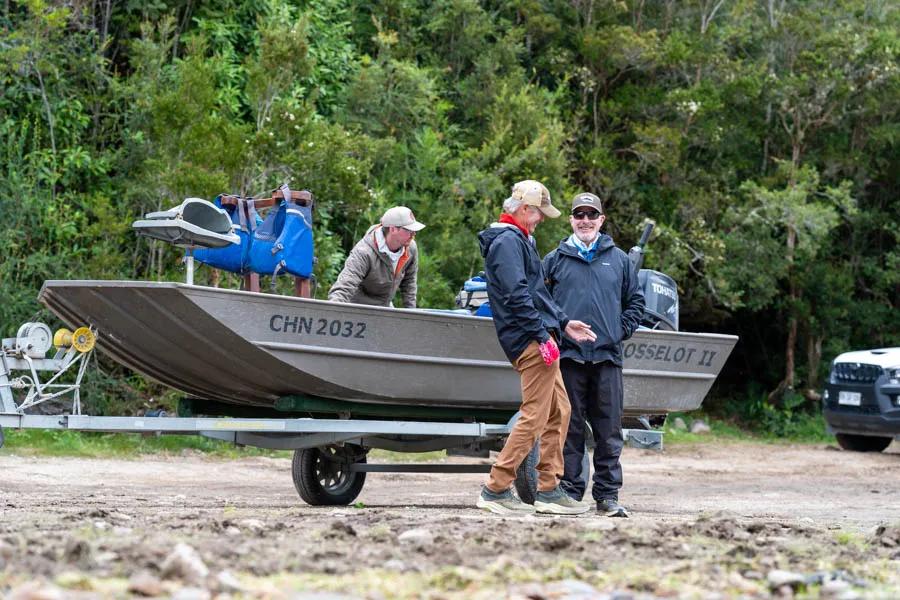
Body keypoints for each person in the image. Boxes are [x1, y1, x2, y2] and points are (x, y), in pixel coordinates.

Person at [475, 180, 597, 516]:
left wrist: (563, 322)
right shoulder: (506, 243)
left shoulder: (520, 240)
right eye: (539, 212)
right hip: (530, 340)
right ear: (525, 209)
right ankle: (496, 488)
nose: (542, 219)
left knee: (560, 411)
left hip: (541, 335)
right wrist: (541, 336)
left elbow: (537, 294)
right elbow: (516, 296)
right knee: (534, 415)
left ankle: (548, 489)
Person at [542, 192, 644, 517]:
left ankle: (608, 496)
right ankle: (571, 493)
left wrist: (618, 331)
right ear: (571, 219)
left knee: (608, 429)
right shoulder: (554, 260)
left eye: (591, 215)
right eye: (579, 215)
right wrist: (558, 331)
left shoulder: (620, 260)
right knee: (568, 429)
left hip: (607, 359)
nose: (585, 220)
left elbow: (636, 303)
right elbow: (540, 304)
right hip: (569, 359)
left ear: (601, 220)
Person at [328, 206, 425, 308]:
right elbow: (344, 287)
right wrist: (333, 312)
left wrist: (411, 315)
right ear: (393, 229)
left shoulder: (411, 248)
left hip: (385, 308)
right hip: (357, 308)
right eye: (409, 231)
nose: (413, 234)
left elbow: (409, 284)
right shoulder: (364, 252)